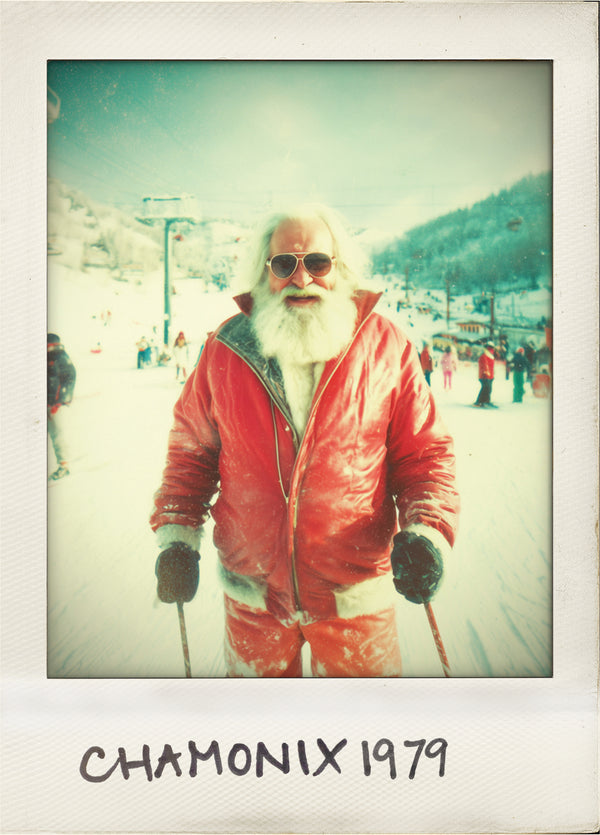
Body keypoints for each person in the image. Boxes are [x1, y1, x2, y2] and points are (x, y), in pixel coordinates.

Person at [150, 206, 460, 678]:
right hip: (253, 596)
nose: (302, 278)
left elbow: (425, 455)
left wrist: (426, 533)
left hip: (354, 596)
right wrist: (177, 538)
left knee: (366, 734)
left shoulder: (385, 346)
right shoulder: (225, 350)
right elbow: (190, 456)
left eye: (317, 262)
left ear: (339, 268)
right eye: (284, 265)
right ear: (264, 272)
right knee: (259, 738)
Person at [47, 333, 76, 480]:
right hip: (45, 403)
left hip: (55, 405)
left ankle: (64, 466)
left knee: (57, 435)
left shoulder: (61, 358)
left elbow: (70, 379)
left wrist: (60, 402)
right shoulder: (46, 358)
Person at [474, 341, 496, 407]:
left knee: (488, 389)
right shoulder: (484, 356)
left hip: (489, 376)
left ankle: (486, 401)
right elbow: (485, 365)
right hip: (484, 376)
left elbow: (490, 366)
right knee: (485, 388)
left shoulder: (490, 356)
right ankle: (480, 401)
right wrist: (486, 372)